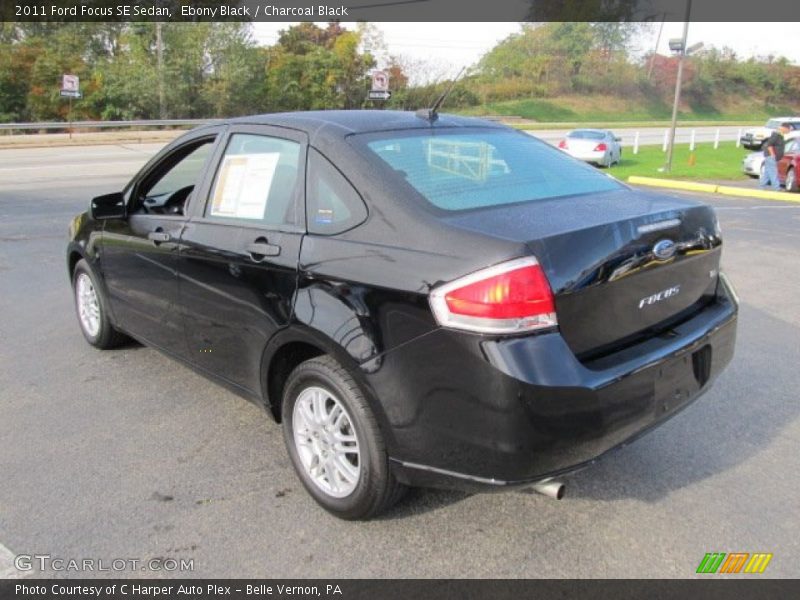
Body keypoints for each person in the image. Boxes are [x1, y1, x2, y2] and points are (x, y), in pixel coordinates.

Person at [759, 122, 790, 190]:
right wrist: (773, 155)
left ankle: (761, 187)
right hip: (771, 156)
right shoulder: (776, 135)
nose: (789, 131)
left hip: (773, 157)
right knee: (773, 172)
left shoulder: (780, 135)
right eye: (788, 129)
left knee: (767, 173)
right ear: (784, 128)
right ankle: (777, 187)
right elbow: (769, 145)